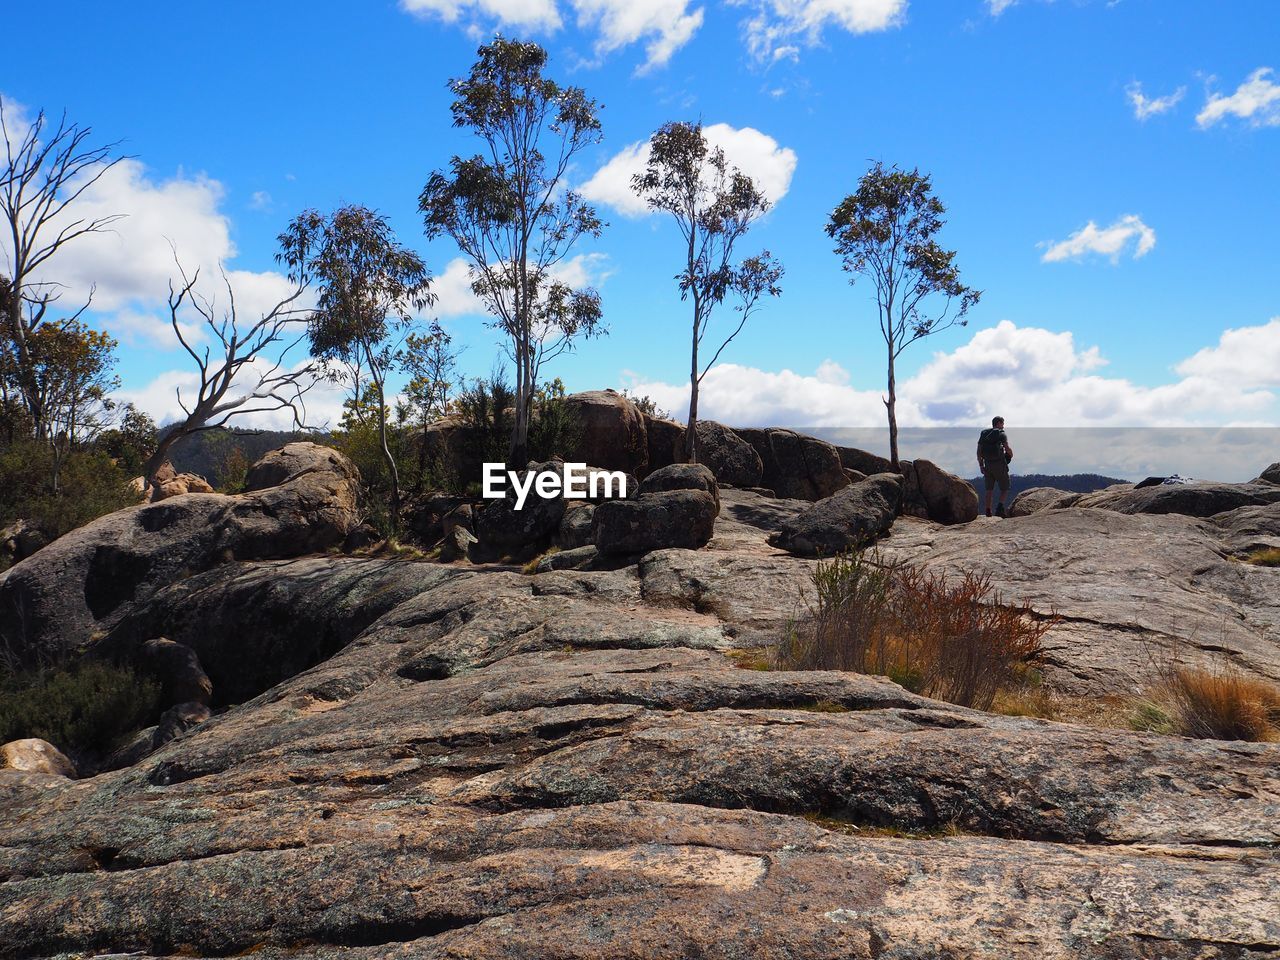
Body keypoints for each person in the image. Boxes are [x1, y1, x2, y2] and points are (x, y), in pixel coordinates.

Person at [977, 416, 1013, 517]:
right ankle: (999, 508)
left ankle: (988, 511)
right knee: (1005, 487)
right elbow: (1007, 448)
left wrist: (981, 465)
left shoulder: (984, 434)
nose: (1003, 426)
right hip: (999, 464)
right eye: (1002, 423)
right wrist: (1011, 454)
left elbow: (978, 452)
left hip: (987, 464)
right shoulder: (1001, 433)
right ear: (998, 423)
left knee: (989, 489)